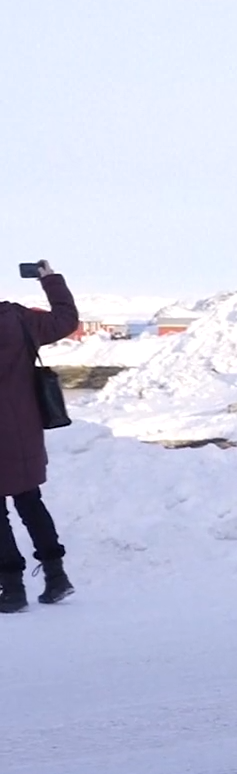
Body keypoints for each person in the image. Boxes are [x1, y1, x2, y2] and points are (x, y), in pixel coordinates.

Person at [0, 260, 79, 613]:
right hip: (22, 432)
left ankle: (13, 589)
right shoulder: (19, 320)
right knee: (30, 501)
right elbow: (66, 320)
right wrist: (51, 280)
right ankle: (56, 576)